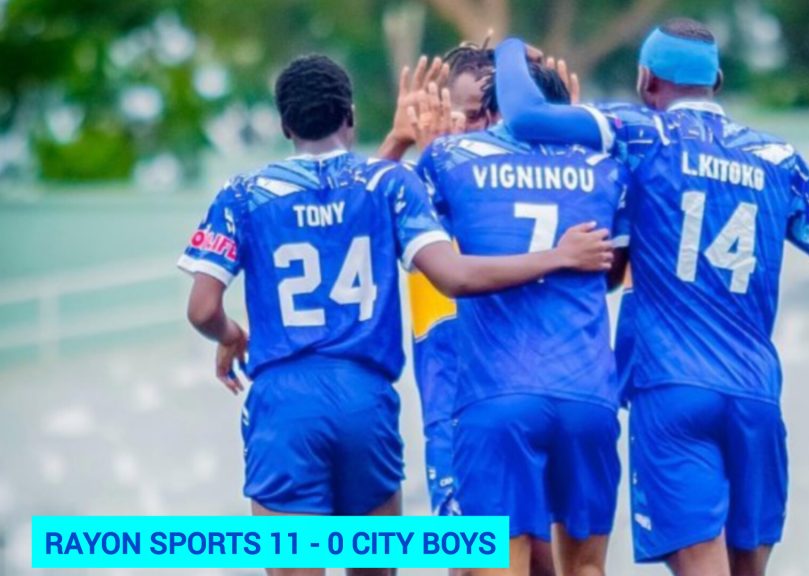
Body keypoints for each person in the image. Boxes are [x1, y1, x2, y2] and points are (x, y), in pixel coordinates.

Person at [494, 18, 809, 576]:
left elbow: (524, 120)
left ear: (647, 79)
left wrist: (509, 50)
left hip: (645, 393)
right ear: (715, 81)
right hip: (749, 393)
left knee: (541, 557)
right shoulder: (776, 157)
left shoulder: (640, 135)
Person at [179, 53, 614, 576]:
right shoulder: (390, 185)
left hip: (284, 401)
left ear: (284, 124)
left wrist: (231, 334)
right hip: (368, 400)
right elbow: (444, 266)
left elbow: (202, 308)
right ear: (350, 116)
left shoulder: (243, 193)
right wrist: (558, 247)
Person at [416, 63, 629, 576]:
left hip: (494, 395)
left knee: (493, 564)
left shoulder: (450, 160)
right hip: (587, 392)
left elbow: (391, 226)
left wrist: (417, 148)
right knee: (585, 567)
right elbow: (612, 270)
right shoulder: (608, 168)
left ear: (496, 113)